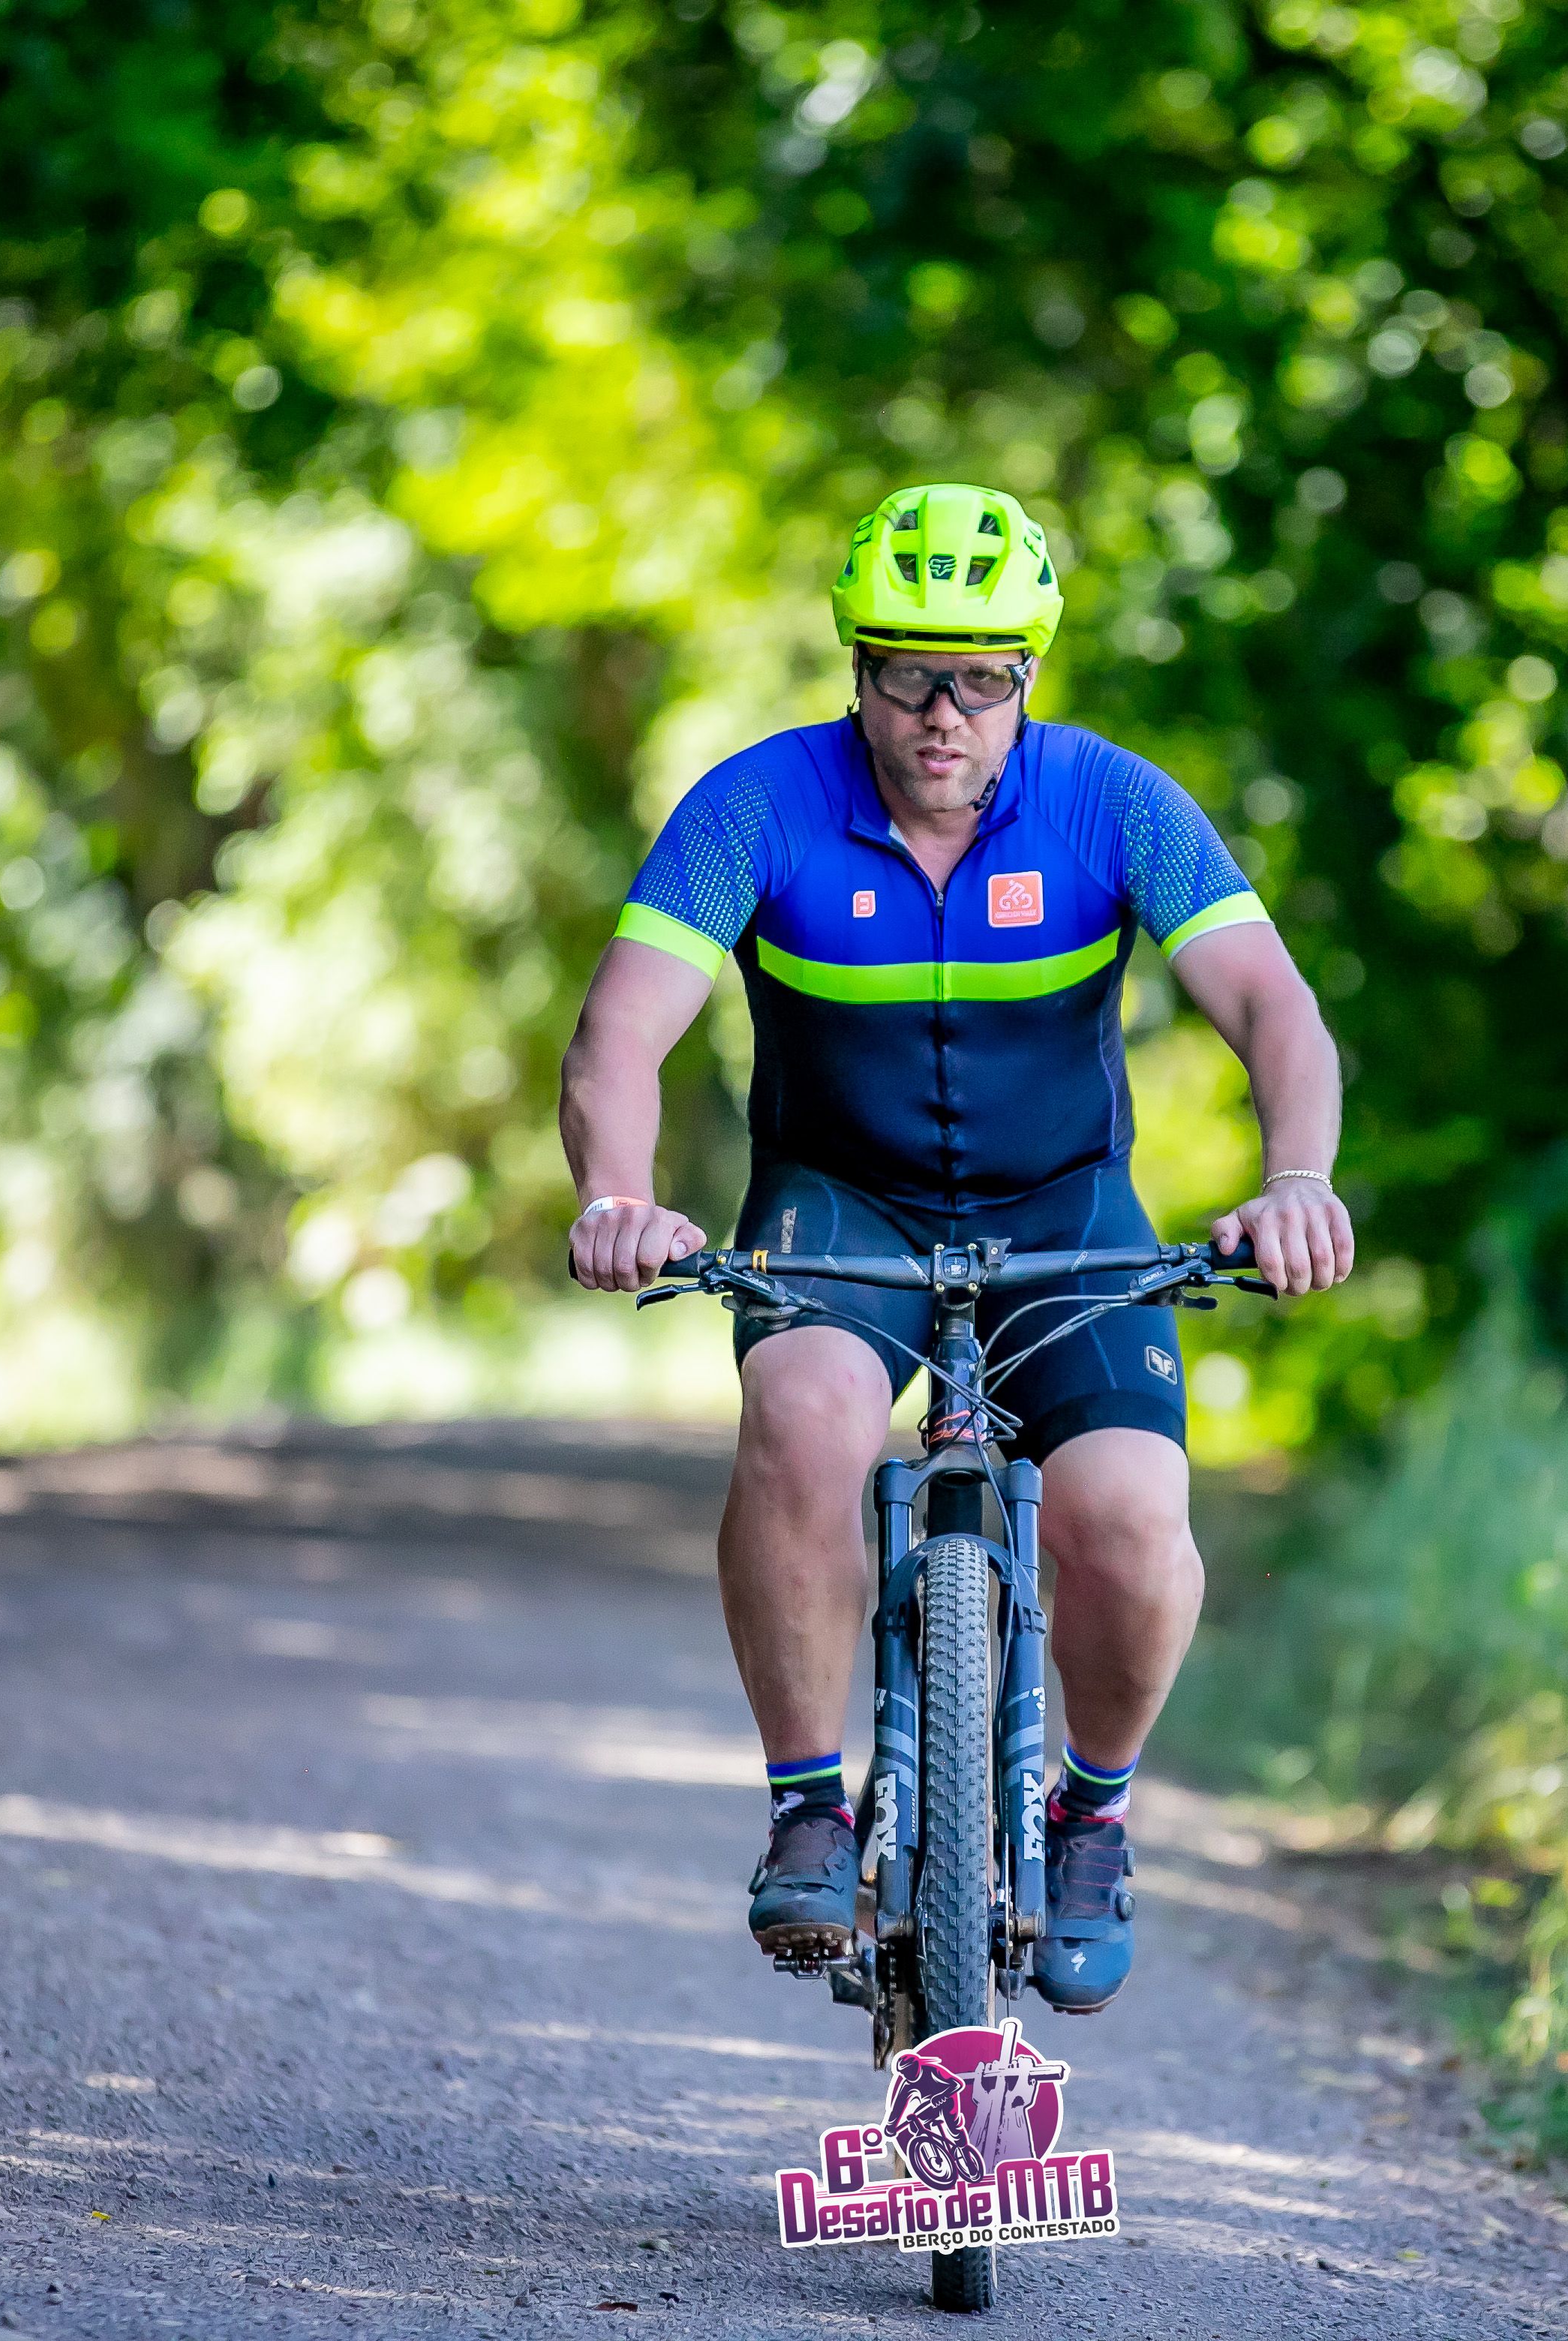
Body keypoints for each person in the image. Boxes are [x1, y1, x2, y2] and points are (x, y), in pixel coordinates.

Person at [558, 482, 1352, 2015]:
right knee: (803, 1420)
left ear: (1027, 677)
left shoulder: (1114, 803)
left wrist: (1299, 1181)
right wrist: (615, 1193)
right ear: (857, 667)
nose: (943, 715)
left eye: (982, 680)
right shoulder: (755, 806)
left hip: (1066, 1212)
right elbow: (620, 1032)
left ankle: (1092, 1814)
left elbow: (1273, 1005)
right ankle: (809, 1801)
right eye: (911, 674)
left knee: (1129, 1521)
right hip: (837, 1205)